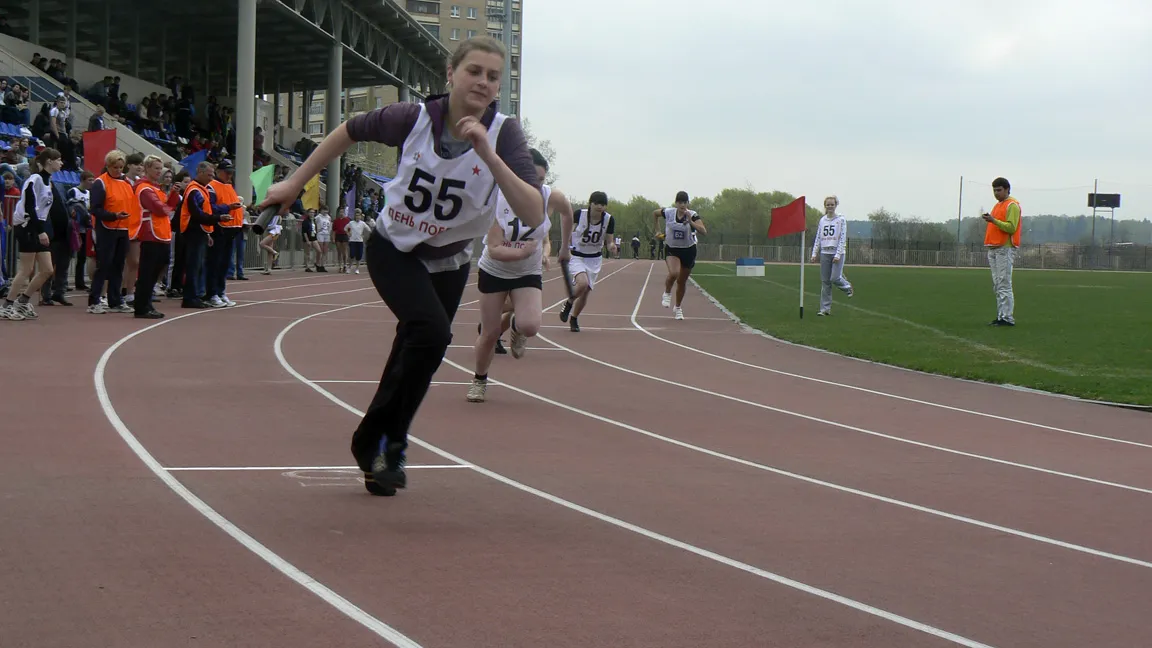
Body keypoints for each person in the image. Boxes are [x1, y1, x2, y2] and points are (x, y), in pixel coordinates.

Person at [258, 35, 543, 497]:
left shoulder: (504, 134)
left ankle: (379, 445)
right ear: (450, 74)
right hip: (395, 247)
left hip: (449, 258)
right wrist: (294, 182)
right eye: (474, 71)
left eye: (493, 77)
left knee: (417, 350)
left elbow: (532, 211)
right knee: (432, 332)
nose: (484, 82)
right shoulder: (412, 118)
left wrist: (488, 153)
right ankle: (388, 441)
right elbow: (348, 130)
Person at [468, 147, 571, 402]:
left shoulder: (550, 197)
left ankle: (517, 326)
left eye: (541, 180)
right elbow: (494, 249)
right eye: (531, 179)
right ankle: (479, 380)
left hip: (527, 272)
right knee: (490, 333)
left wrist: (565, 247)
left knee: (530, 325)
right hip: (495, 270)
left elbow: (567, 213)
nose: (536, 185)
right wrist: (522, 252)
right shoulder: (498, 199)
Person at [0, 148, 62, 321]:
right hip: (27, 226)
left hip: (38, 226)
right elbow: (29, 206)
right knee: (26, 269)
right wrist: (40, 231)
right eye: (58, 159)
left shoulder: (49, 182)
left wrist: (45, 229)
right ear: (49, 161)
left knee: (47, 269)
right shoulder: (35, 180)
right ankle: (7, 305)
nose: (61, 163)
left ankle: (23, 300)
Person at [558, 191, 614, 332]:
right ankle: (569, 303)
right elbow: (568, 229)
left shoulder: (609, 219)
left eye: (603, 204)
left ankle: (574, 318)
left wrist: (612, 246)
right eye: (597, 204)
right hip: (577, 256)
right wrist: (566, 244)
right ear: (590, 204)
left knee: (586, 292)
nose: (600, 207)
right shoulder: (579, 214)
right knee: (582, 284)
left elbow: (609, 241)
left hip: (594, 258)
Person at [653, 191, 707, 320]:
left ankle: (678, 307)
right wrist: (657, 231)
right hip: (672, 248)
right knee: (674, 273)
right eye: (680, 202)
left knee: (682, 281)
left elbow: (704, 231)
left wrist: (691, 222)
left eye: (685, 202)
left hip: (688, 250)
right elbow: (655, 213)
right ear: (676, 203)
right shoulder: (669, 212)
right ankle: (667, 293)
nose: (682, 205)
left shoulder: (692, 215)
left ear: (688, 203)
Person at [982, 177, 1020, 326]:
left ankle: (1007, 318)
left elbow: (1011, 227)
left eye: (999, 190)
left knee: (1004, 283)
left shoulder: (1012, 205)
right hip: (994, 247)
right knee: (998, 284)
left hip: (1005, 247)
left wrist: (993, 220)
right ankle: (1001, 316)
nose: (996, 193)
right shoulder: (998, 205)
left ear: (1007, 189)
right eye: (994, 190)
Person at [809, 195, 853, 316]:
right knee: (825, 282)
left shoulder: (841, 220)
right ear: (825, 206)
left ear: (835, 205)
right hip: (825, 253)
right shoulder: (822, 220)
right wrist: (814, 253)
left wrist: (838, 254)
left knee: (835, 278)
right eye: (828, 205)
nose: (830, 207)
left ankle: (847, 286)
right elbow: (818, 237)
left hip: (837, 252)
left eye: (832, 204)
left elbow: (842, 238)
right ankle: (825, 309)